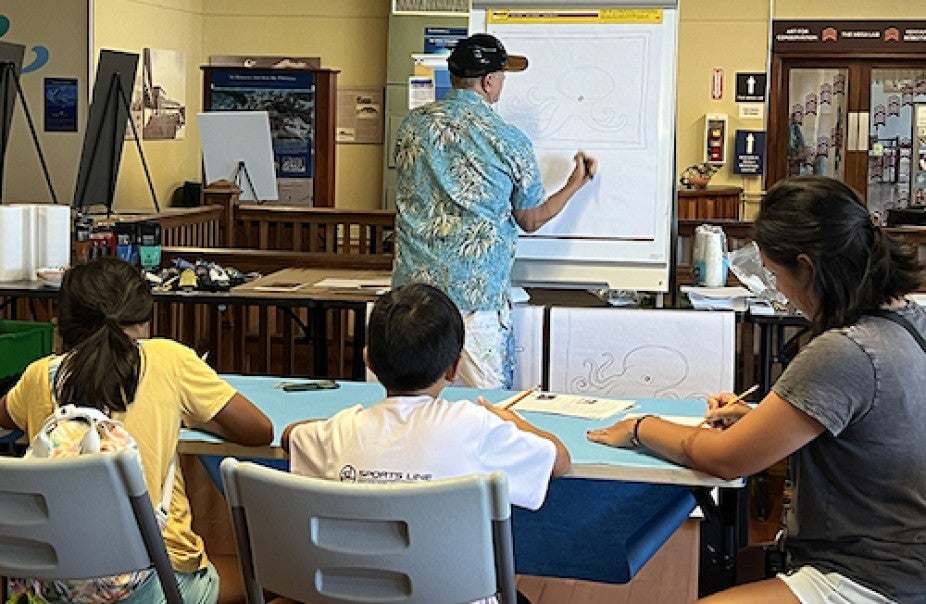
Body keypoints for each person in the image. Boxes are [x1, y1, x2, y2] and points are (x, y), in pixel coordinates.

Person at [588, 176, 926, 603]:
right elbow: (875, 431)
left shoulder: (845, 352)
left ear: (807, 266)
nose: (777, 289)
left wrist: (640, 426)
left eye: (774, 273)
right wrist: (762, 420)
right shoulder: (911, 321)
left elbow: (726, 459)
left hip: (871, 577)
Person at [0, 256, 274, 604]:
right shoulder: (168, 360)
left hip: (56, 587)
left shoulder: (40, 375)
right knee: (277, 574)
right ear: (144, 321)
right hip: (151, 584)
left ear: (62, 324)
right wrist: (193, 414)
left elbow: (7, 416)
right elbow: (259, 430)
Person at [392, 33, 597, 390]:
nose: (502, 82)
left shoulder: (412, 126)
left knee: (413, 402)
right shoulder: (507, 139)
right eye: (501, 75)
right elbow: (530, 219)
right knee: (485, 410)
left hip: (414, 298)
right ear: (488, 81)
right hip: (477, 299)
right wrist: (574, 184)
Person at [282, 282, 570, 511]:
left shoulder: (341, 430)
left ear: (368, 361)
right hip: (454, 586)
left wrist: (347, 423)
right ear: (455, 366)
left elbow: (290, 436)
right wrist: (511, 420)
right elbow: (559, 460)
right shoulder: (476, 424)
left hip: (346, 584)